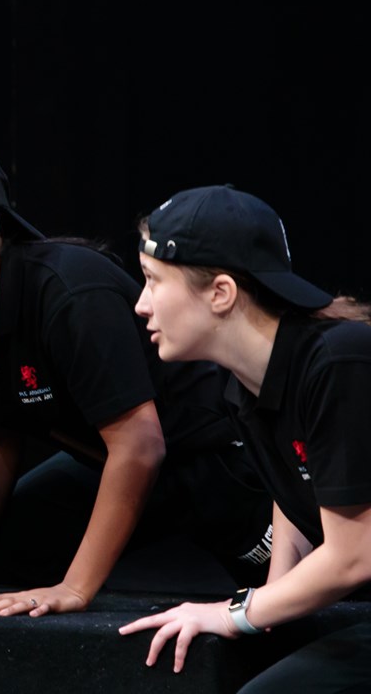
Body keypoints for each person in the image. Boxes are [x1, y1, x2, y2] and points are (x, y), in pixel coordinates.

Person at [0, 133, 274, 617]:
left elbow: (141, 444)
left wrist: (75, 588)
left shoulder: (68, 292)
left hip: (208, 460)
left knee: (302, 601)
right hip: (109, 462)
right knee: (13, 553)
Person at [118, 184, 371, 692]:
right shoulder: (246, 385)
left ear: (221, 293)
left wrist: (237, 612)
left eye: (152, 280)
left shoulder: (340, 362)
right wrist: (276, 596)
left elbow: (354, 554)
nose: (141, 305)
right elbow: (294, 493)